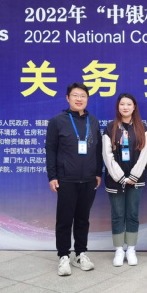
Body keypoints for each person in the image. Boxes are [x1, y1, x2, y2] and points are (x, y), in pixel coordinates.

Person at [45, 83, 102, 276]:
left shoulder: (93, 121)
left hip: (89, 179)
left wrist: (98, 173)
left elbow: (98, 150)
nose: (79, 99)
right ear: (67, 98)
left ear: (87, 99)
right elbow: (50, 150)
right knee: (64, 220)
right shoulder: (57, 121)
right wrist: (52, 176)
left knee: (83, 219)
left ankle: (80, 254)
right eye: (75, 95)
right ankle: (63, 256)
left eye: (83, 96)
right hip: (66, 179)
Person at [102, 93, 147, 267]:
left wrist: (133, 176)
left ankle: (131, 249)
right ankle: (118, 250)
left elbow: (145, 153)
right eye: (122, 104)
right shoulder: (110, 128)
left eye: (129, 104)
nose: (125, 107)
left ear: (134, 107)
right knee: (117, 215)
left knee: (132, 214)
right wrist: (121, 177)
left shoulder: (142, 128)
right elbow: (107, 155)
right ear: (118, 106)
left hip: (136, 180)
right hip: (115, 180)